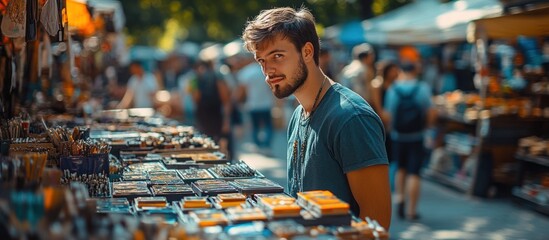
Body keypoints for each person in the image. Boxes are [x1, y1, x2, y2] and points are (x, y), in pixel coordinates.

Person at [242, 7, 391, 228]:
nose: (268, 70)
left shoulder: (351, 118)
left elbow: (377, 222)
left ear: (307, 52)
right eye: (262, 60)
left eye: (277, 56)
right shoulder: (297, 115)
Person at [384, 62, 437, 221]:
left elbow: (388, 115)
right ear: (415, 71)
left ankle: (400, 198)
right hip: (417, 136)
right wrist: (427, 127)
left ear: (401, 71)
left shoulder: (394, 89)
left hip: (398, 136)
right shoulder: (422, 88)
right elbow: (431, 112)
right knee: (414, 172)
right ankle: (411, 211)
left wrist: (392, 128)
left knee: (400, 168)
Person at [188, 59, 232, 159]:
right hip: (206, 117)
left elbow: (226, 100)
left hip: (215, 117)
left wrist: (226, 120)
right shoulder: (198, 80)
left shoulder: (215, 78)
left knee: (220, 147)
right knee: (209, 147)